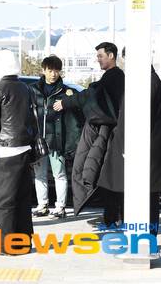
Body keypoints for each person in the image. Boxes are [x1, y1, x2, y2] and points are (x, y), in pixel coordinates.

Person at [98, 47, 161, 237]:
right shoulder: (149, 80)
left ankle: (144, 240)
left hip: (141, 149)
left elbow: (136, 118)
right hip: (144, 148)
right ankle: (142, 237)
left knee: (144, 197)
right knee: (144, 195)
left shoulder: (145, 82)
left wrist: (129, 147)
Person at [54, 42, 125, 225]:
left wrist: (66, 102)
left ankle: (113, 216)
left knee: (110, 175)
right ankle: (112, 216)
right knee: (110, 175)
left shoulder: (114, 75)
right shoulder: (112, 76)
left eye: (101, 56)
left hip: (111, 131)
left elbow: (89, 95)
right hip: (111, 130)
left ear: (111, 56)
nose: (98, 59)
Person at [0, 50, 36, 255]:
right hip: (24, 149)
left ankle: (7, 246)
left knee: (3, 201)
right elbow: (32, 119)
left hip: (4, 151)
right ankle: (23, 244)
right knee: (22, 199)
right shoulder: (26, 88)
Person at [29, 55, 83, 220]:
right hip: (39, 140)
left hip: (57, 140)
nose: (53, 74)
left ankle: (60, 207)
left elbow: (78, 111)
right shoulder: (32, 89)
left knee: (59, 174)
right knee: (40, 174)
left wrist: (70, 97)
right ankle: (42, 205)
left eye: (57, 70)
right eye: (50, 70)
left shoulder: (65, 90)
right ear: (44, 70)